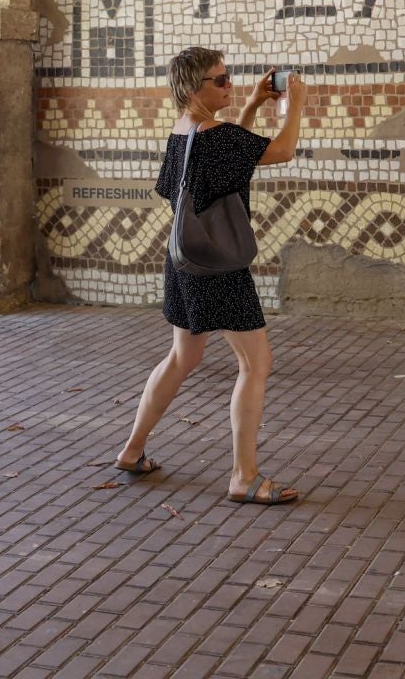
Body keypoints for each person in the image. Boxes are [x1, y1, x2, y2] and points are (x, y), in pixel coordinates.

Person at [113, 46, 306, 504]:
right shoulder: (214, 136)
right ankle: (244, 477)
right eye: (220, 80)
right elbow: (282, 151)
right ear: (192, 88)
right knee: (255, 363)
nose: (230, 84)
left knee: (182, 357)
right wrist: (294, 104)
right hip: (218, 265)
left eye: (229, 77)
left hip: (184, 259)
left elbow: (223, 165)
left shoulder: (184, 133)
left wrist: (254, 105)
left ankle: (132, 450)